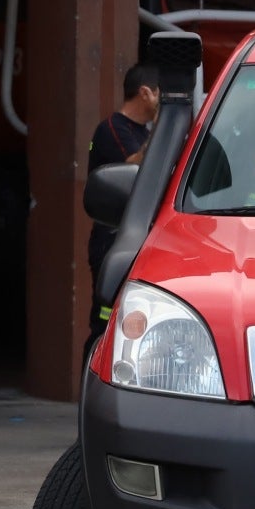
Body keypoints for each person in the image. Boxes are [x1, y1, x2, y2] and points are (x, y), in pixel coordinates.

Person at [86, 64, 160, 328]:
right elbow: (135, 164)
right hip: (112, 241)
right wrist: (163, 126)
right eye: (160, 94)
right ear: (145, 93)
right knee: (106, 320)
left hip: (138, 236)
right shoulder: (111, 129)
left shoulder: (145, 133)